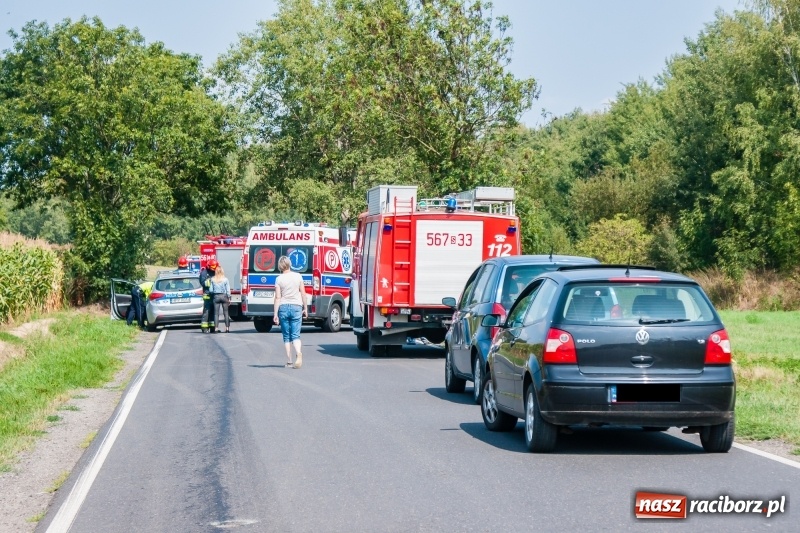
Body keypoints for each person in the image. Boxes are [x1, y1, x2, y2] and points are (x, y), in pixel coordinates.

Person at [273, 255, 308, 368]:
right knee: (295, 335)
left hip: (283, 307)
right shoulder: (298, 276)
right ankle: (299, 353)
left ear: (280, 266)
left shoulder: (278, 279)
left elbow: (278, 297)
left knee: (286, 336)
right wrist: (305, 308)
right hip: (297, 306)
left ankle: (289, 361)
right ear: (289, 264)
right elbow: (303, 293)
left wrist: (275, 314)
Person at [211, 265, 232, 333]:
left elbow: (211, 290)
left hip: (216, 296)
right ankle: (227, 328)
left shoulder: (213, 279)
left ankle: (216, 328)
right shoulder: (225, 279)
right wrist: (229, 298)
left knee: (216, 314)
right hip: (224, 296)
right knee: (226, 313)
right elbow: (228, 290)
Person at [199, 259, 218, 333]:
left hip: (215, 295)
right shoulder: (204, 273)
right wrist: (212, 281)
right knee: (206, 312)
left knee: (214, 311)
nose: (213, 269)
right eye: (212, 267)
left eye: (214, 267)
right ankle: (204, 328)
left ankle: (212, 327)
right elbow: (203, 283)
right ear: (208, 266)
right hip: (207, 296)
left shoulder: (216, 272)